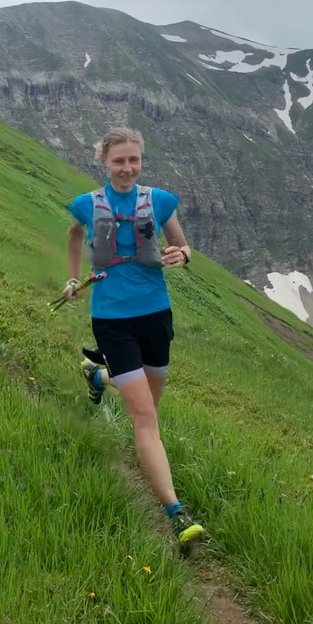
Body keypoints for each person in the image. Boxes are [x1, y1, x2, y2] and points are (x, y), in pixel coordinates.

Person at [62, 127, 204, 552]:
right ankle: (176, 513)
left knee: (149, 409)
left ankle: (97, 376)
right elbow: (73, 235)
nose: (127, 168)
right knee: (144, 416)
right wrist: (71, 277)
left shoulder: (159, 201)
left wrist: (183, 255)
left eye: (134, 160)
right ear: (104, 162)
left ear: (141, 160)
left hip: (156, 315)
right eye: (119, 160)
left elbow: (182, 247)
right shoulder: (86, 204)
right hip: (111, 319)